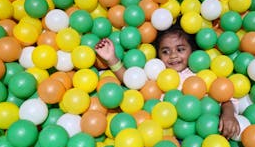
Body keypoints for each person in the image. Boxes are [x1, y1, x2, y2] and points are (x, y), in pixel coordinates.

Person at [95, 23, 241, 139]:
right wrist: (111, 59)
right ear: (158, 55)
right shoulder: (157, 74)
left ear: (191, 50)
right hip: (163, 136)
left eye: (180, 49)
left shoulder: (201, 74)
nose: (173, 55)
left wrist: (228, 115)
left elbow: (225, 99)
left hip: (203, 133)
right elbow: (131, 81)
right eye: (165, 51)